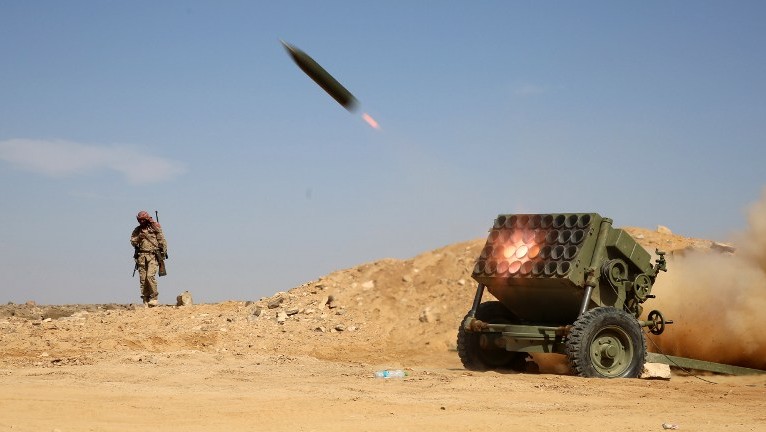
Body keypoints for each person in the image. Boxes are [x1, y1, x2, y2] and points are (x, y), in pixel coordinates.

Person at [130, 211, 168, 307]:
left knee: (150, 276)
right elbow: (133, 241)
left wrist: (162, 255)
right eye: (140, 220)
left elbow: (162, 241)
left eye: (143, 219)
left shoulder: (155, 227)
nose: (141, 221)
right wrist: (139, 237)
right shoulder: (137, 230)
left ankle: (154, 298)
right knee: (143, 279)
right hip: (142, 257)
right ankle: (145, 300)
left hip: (153, 256)